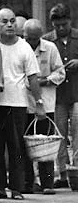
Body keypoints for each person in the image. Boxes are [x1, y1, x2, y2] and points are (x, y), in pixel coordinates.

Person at [0, 7, 44, 200]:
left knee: (16, 146)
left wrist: (39, 103)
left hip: (17, 103)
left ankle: (17, 188)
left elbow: (33, 78)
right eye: (5, 21)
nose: (10, 25)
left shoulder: (24, 47)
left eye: (12, 21)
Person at [22, 19, 65, 195]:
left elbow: (60, 72)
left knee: (46, 145)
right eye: (28, 38)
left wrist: (45, 81)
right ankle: (28, 183)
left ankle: (47, 183)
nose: (31, 42)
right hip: (24, 103)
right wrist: (30, 83)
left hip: (46, 104)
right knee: (25, 145)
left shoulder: (50, 48)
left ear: (40, 36)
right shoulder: (20, 47)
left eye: (34, 38)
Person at [42, 3, 78, 189]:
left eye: (64, 24)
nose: (61, 28)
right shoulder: (46, 41)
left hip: (77, 94)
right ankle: (62, 174)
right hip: (57, 97)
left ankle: (77, 172)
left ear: (70, 21)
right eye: (57, 26)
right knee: (59, 135)